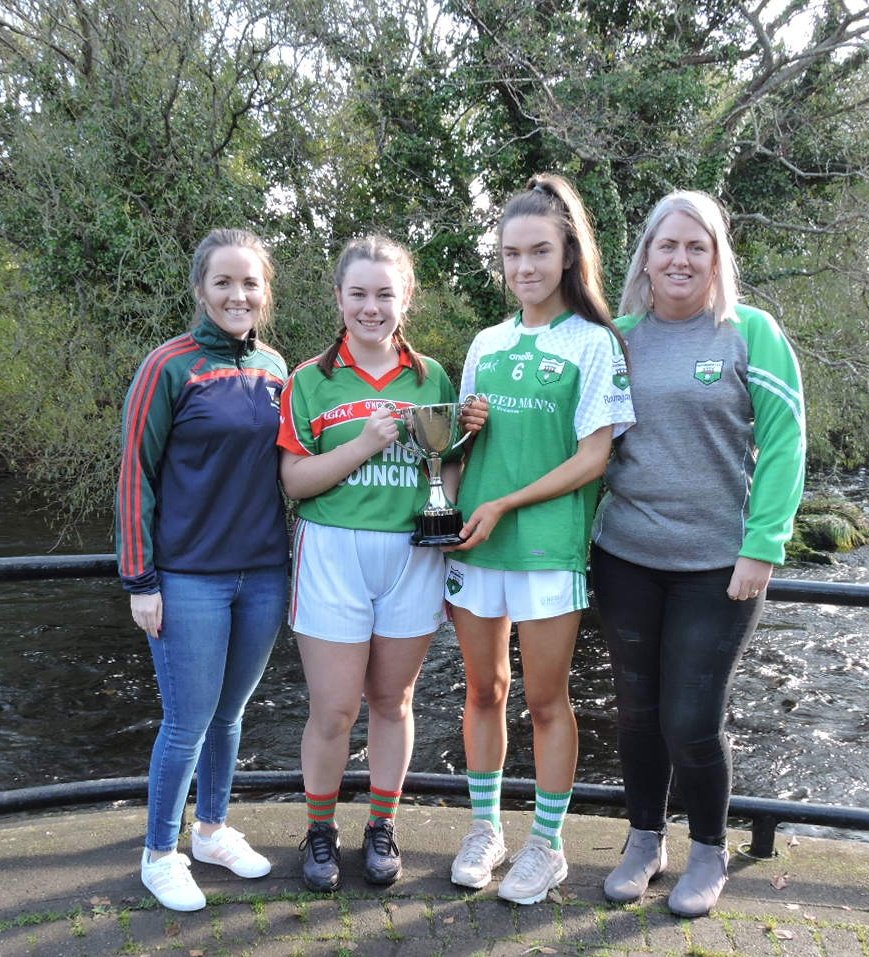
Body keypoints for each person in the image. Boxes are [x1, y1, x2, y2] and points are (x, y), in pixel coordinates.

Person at [589, 190, 805, 918]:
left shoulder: (750, 333)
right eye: (668, 245)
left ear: (717, 258)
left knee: (690, 719)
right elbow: (584, 443)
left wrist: (763, 544)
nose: (680, 259)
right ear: (646, 256)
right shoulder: (616, 338)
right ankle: (644, 840)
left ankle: (709, 848)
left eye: (696, 246)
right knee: (636, 713)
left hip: (719, 566)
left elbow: (785, 442)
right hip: (625, 557)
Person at [444, 174, 635, 905]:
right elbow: (458, 449)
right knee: (483, 689)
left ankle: (548, 844)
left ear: (568, 255)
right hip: (476, 542)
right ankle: (485, 829)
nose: (524, 267)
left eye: (539, 251)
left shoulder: (595, 343)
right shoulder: (485, 342)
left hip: (547, 545)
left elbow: (594, 457)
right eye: (511, 254)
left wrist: (506, 503)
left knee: (547, 700)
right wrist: (460, 455)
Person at [278, 235, 485, 892]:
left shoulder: (432, 378)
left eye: (385, 294)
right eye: (359, 294)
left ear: (406, 299)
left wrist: (452, 488)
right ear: (339, 298)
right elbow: (294, 481)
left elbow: (445, 468)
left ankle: (382, 825)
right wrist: (362, 445)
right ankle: (319, 830)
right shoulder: (309, 380)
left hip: (409, 554)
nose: (372, 307)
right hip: (332, 552)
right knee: (334, 709)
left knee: (393, 701)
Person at [115, 228, 290, 911]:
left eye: (250, 283)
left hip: (263, 574)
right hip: (188, 577)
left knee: (230, 715)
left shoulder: (275, 368)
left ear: (265, 292)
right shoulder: (168, 366)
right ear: (200, 289)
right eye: (224, 282)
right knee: (187, 720)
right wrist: (140, 579)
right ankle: (160, 852)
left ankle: (212, 829)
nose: (237, 294)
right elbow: (135, 473)